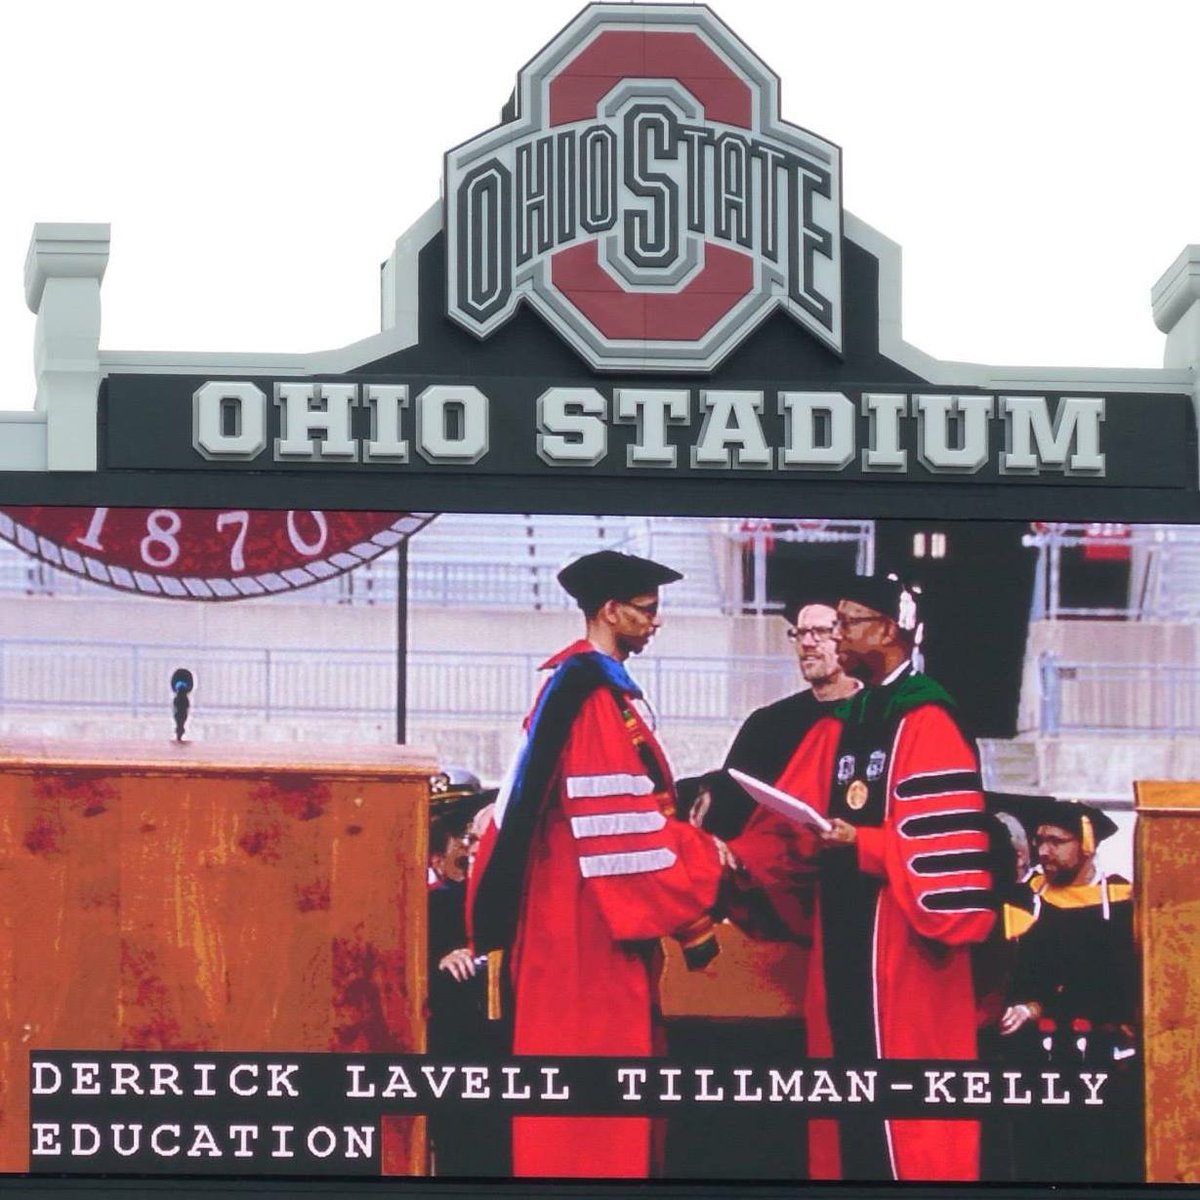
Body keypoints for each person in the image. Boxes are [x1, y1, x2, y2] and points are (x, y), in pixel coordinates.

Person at [469, 549, 732, 1179]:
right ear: (610, 611)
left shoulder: (588, 687)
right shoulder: (590, 698)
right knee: (591, 1114)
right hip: (587, 930)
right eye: (645, 611)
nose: (655, 623)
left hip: (581, 919)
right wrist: (707, 862)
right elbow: (621, 833)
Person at [730, 572, 995, 1182]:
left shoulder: (927, 717)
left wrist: (866, 844)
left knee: (903, 1103)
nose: (837, 635)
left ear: (890, 630)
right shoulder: (853, 717)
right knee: (844, 1099)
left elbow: (944, 845)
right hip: (846, 938)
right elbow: (790, 814)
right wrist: (735, 857)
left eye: (849, 623)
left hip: (903, 946)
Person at [999, 797, 1140, 1181]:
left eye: (1056, 841)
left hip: (1107, 1057)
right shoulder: (1023, 901)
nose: (1043, 851)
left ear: (1086, 845)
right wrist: (1028, 1006)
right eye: (1039, 840)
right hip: (1036, 1058)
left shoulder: (1124, 900)